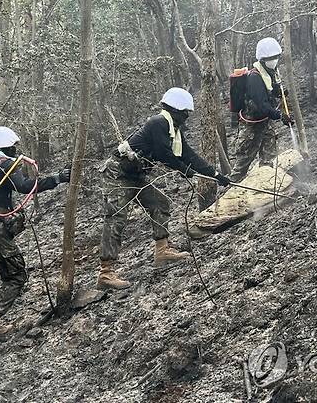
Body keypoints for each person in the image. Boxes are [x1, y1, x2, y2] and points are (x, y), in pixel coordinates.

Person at [98, 88, 230, 290]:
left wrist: (214, 174)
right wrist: (184, 171)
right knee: (116, 218)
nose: (187, 117)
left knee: (160, 203)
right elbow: (164, 154)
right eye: (185, 112)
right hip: (118, 174)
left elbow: (189, 155)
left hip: (136, 174)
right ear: (176, 109)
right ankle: (106, 273)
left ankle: (162, 251)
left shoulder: (173, 130)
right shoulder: (158, 123)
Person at [0, 126, 70, 360]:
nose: (16, 150)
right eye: (13, 146)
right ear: (5, 145)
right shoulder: (3, 165)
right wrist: (58, 178)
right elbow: (26, 186)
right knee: (16, 276)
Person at [229, 37, 293, 183]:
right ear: (263, 59)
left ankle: (267, 189)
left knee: (269, 160)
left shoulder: (270, 72)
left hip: (265, 123)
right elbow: (261, 105)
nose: (274, 60)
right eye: (270, 58)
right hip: (251, 126)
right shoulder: (254, 77)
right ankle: (230, 190)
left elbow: (269, 91)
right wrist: (280, 116)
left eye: (276, 57)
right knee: (242, 164)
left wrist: (278, 91)